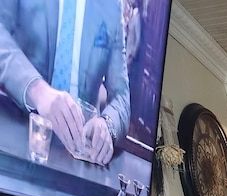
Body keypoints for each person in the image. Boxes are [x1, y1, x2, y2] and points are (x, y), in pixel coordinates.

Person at [0, 0, 131, 165]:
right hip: (15, 139)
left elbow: (122, 95)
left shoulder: (112, 5)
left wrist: (107, 124)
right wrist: (37, 90)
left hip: (78, 158)